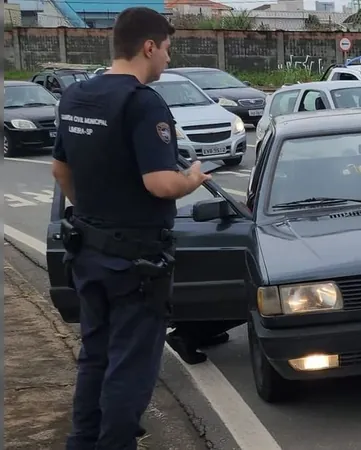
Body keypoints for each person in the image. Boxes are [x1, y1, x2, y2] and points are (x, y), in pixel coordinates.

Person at [51, 7, 212, 450]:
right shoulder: (142, 102)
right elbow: (160, 183)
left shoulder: (76, 97)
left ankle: (83, 442)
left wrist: (93, 213)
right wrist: (192, 180)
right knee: (131, 365)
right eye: (167, 50)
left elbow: (60, 171)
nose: (167, 59)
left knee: (95, 357)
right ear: (148, 47)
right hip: (135, 262)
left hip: (87, 251)